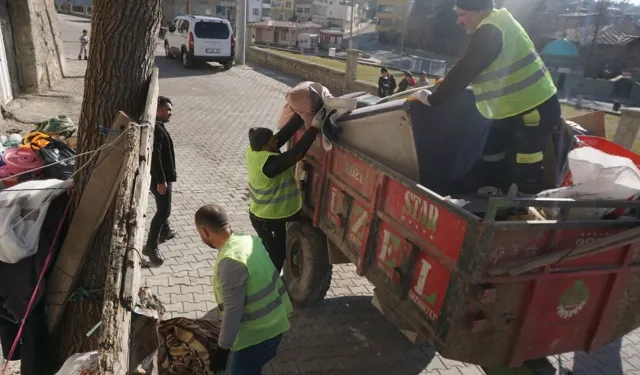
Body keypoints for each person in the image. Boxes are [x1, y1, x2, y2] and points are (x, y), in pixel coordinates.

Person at [420, 0, 560, 194]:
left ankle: (523, 210)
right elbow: (480, 68)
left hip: (534, 109)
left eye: (462, 14)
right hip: (518, 108)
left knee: (527, 165)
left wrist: (432, 99)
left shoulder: (490, 31)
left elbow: (465, 70)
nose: (459, 20)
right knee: (492, 149)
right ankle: (493, 186)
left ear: (479, 13)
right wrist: (444, 85)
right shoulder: (499, 21)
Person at [195, 204, 292, 375]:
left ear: (204, 232)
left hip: (257, 336)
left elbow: (233, 311)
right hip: (276, 322)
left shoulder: (230, 261)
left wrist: (223, 349)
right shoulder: (248, 239)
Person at [246, 103, 326, 273]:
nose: (276, 141)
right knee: (275, 256)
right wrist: (314, 127)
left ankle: (268, 277)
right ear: (266, 146)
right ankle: (268, 284)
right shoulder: (269, 165)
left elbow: (282, 136)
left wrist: (299, 115)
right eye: (272, 141)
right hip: (268, 218)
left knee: (275, 250)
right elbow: (297, 153)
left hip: (266, 215)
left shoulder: (255, 151)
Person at [143, 96, 177, 266]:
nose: (171, 113)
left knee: (163, 208)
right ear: (157, 109)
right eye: (168, 109)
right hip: (160, 178)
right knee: (164, 211)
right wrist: (161, 181)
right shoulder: (155, 129)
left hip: (162, 177)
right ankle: (151, 246)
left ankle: (165, 230)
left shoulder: (158, 126)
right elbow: (155, 157)